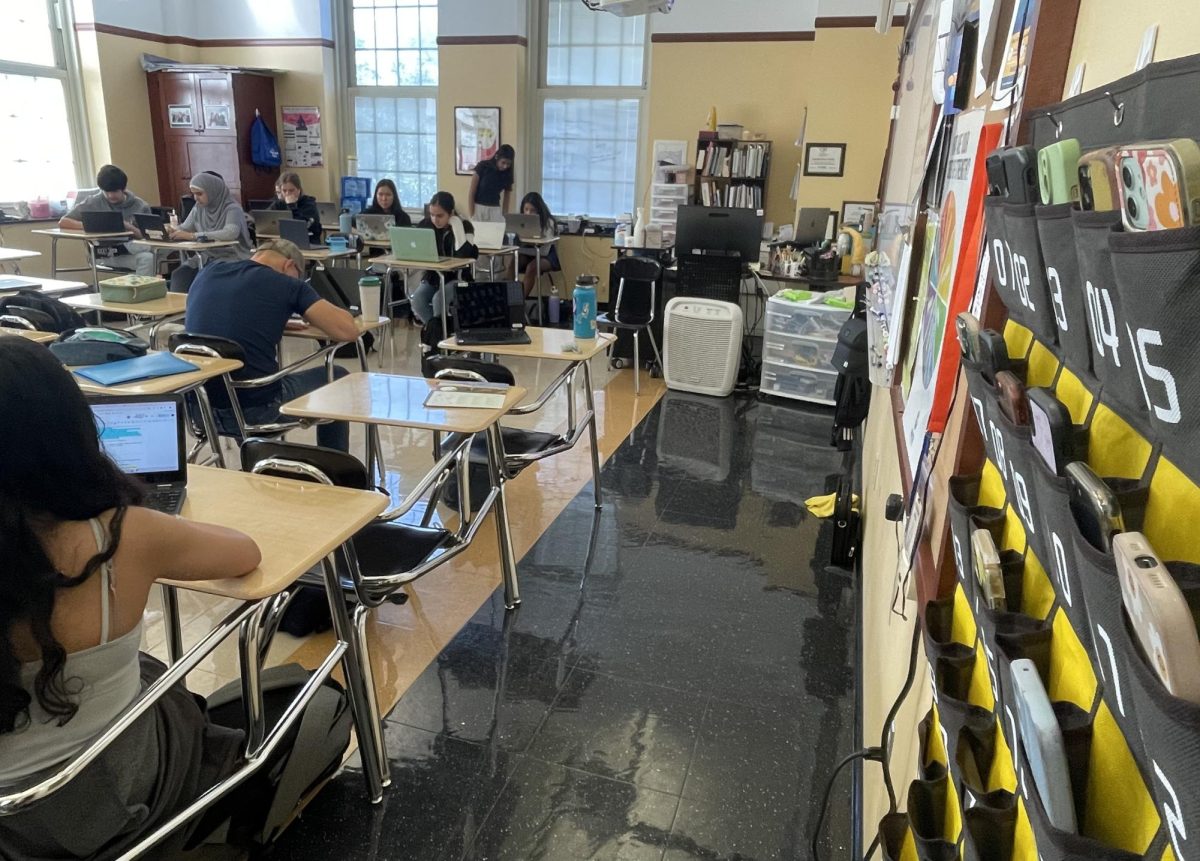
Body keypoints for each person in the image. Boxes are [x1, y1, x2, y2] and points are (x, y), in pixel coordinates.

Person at [0, 336, 261, 859]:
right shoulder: (121, 534)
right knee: (162, 687)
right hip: (96, 808)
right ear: (71, 428)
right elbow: (243, 553)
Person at [184, 238, 360, 451]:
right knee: (338, 375)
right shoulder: (286, 284)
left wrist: (276, 317)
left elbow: (226, 313)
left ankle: (252, 455)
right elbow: (347, 331)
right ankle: (335, 471)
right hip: (256, 411)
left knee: (241, 373)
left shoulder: (210, 271)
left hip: (198, 409)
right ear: (289, 266)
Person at [58, 164, 155, 276]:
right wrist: (96, 225)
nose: (110, 195)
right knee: (149, 250)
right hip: (104, 253)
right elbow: (64, 222)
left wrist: (127, 227)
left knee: (148, 255)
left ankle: (139, 292)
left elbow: (146, 237)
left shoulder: (140, 206)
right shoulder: (93, 202)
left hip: (131, 248)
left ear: (123, 189)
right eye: (106, 191)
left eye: (114, 191)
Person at [167, 173, 253, 293]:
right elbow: (185, 228)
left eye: (199, 194)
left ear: (213, 191)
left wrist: (194, 236)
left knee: (205, 278)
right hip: (208, 257)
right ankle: (179, 310)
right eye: (194, 194)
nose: (196, 198)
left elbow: (230, 233)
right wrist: (172, 230)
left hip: (232, 256)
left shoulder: (233, 209)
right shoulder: (198, 208)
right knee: (180, 275)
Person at [411, 192, 478, 327]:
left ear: (451, 213)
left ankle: (440, 336)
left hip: (458, 278)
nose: (435, 219)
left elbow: (464, 255)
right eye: (432, 214)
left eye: (440, 215)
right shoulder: (426, 224)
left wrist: (457, 225)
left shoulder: (465, 226)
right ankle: (437, 334)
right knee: (418, 299)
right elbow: (415, 246)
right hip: (434, 276)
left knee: (438, 299)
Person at [516, 192, 562, 298]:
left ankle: (520, 301)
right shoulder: (520, 221)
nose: (528, 213)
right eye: (526, 209)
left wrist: (521, 251)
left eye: (532, 210)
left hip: (547, 255)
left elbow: (544, 251)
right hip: (528, 252)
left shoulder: (548, 222)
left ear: (539, 211)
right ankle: (506, 299)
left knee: (532, 267)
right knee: (513, 263)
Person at [268, 172, 322, 242]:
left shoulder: (308, 204)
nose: (287, 194)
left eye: (291, 190)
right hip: (283, 241)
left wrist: (292, 206)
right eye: (284, 191)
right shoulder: (279, 204)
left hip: (308, 242)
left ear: (299, 190)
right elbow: (267, 218)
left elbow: (301, 226)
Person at [467, 144, 514, 223]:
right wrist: (472, 214)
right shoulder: (482, 166)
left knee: (495, 234)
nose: (505, 166)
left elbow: (507, 199)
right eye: (503, 162)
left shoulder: (508, 174)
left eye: (508, 164)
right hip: (478, 208)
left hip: (495, 210)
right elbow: (471, 192)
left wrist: (505, 217)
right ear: (497, 157)